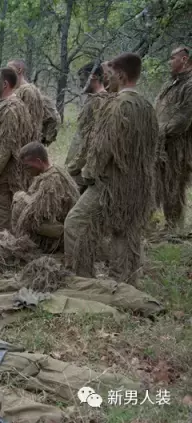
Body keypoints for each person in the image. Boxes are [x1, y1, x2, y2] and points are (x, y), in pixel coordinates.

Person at [64, 53, 158, 285]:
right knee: (126, 233)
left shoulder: (115, 106)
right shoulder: (147, 106)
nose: (107, 81)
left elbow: (101, 148)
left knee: (76, 223)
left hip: (111, 184)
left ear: (121, 75)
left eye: (110, 75)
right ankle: (125, 283)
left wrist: (86, 175)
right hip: (139, 184)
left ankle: (84, 281)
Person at [0, 67, 35, 232]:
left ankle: (3, 250)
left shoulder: (10, 109)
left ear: (5, 84)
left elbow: (6, 144)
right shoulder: (10, 105)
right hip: (4, 174)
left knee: (1, 218)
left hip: (4, 177)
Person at [11, 142, 79, 253]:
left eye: (27, 166)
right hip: (59, 224)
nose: (25, 170)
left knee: (19, 204)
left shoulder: (51, 181)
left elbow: (32, 217)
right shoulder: (55, 170)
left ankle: (25, 242)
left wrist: (20, 199)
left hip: (59, 233)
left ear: (38, 162)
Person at [155, 46, 192, 230]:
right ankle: (162, 224)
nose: (170, 62)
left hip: (180, 147)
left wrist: (161, 131)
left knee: (174, 185)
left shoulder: (190, 85)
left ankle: (174, 228)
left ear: (184, 59)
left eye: (173, 58)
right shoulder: (171, 83)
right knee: (160, 183)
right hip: (162, 145)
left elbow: (184, 118)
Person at [65, 61, 110, 193]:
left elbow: (93, 139)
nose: (80, 84)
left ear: (93, 77)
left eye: (83, 79)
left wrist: (75, 166)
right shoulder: (93, 99)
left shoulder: (100, 101)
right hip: (79, 165)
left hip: (84, 168)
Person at [7, 59, 44, 142]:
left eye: (9, 69)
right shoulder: (15, 90)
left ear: (19, 70)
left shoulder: (28, 91)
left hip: (24, 141)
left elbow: (29, 121)